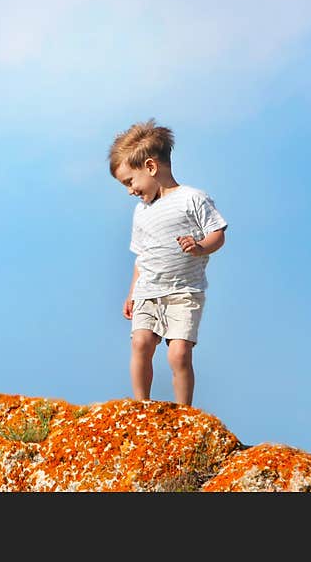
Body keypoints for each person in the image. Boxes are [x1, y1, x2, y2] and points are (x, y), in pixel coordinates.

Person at [107, 118, 228, 405]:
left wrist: (200, 247)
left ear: (150, 167)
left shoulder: (192, 198)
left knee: (179, 353)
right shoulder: (141, 212)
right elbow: (142, 254)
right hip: (148, 290)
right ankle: (141, 406)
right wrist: (132, 292)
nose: (129, 190)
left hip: (184, 292)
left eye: (130, 181)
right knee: (141, 343)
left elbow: (218, 233)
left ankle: (185, 414)